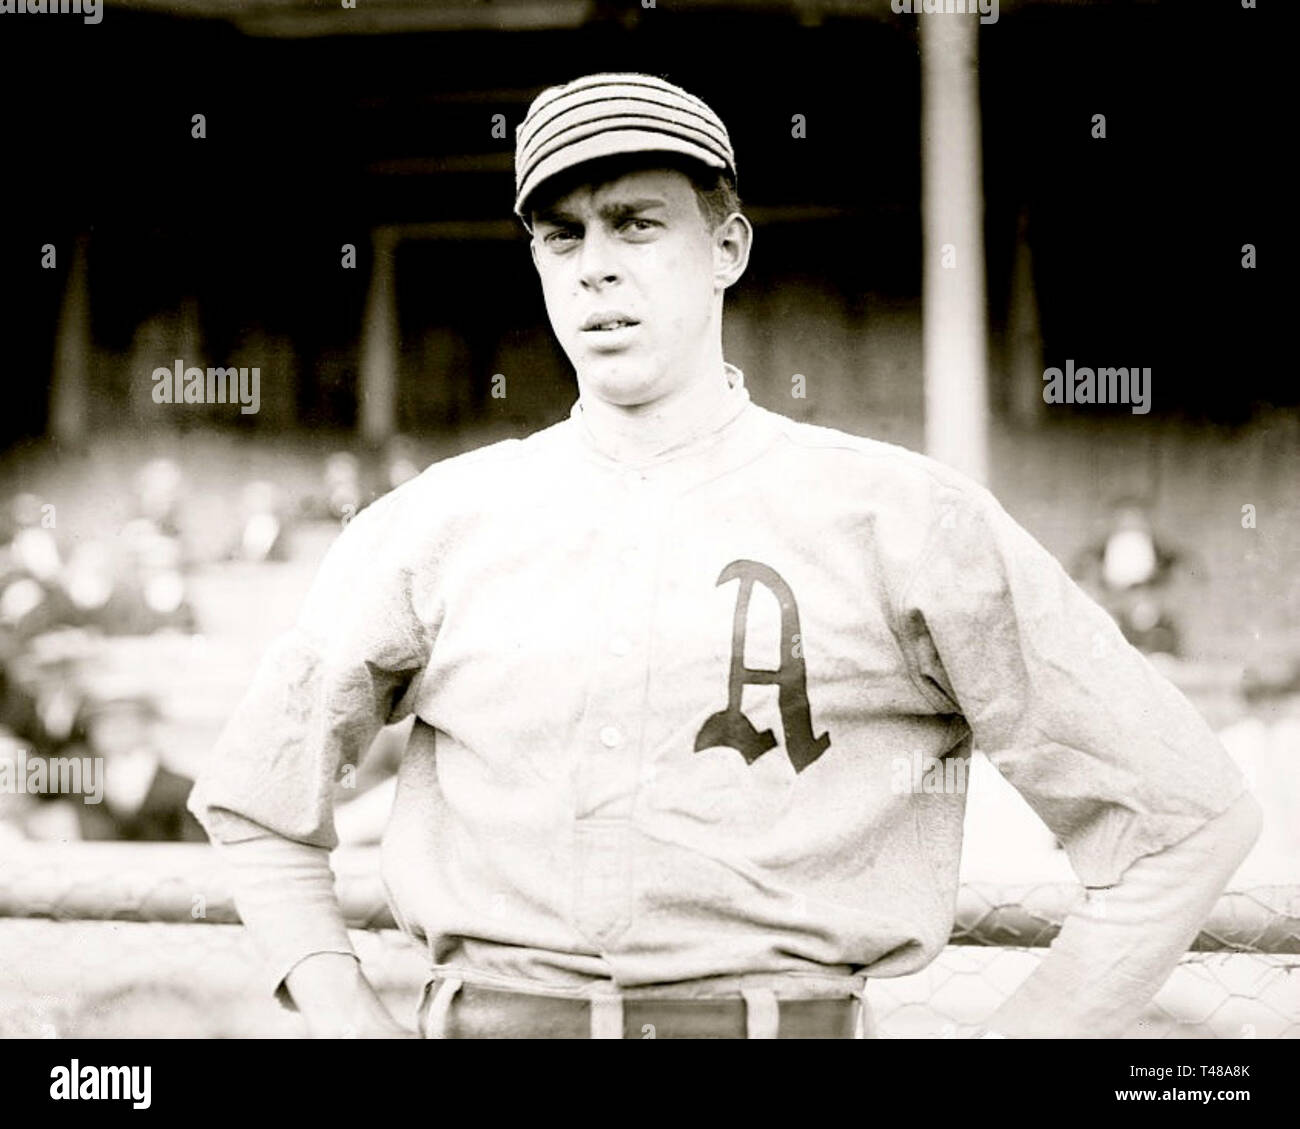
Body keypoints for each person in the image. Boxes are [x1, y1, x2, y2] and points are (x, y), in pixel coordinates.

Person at [188, 73, 1260, 1039]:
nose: (596, 266)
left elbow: (1182, 819)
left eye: (635, 224)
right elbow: (255, 795)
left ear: (727, 250)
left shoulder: (899, 517)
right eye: (562, 237)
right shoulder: (435, 522)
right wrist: (345, 1015)